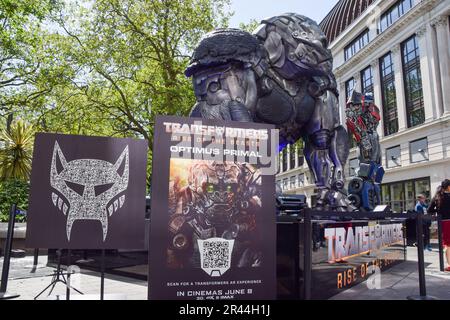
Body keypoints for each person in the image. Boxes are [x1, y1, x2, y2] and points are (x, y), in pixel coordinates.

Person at [428, 179, 450, 271]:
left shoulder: (437, 197)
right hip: (447, 222)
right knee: (448, 245)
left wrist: (438, 211)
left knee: (447, 245)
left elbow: (429, 210)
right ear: (448, 187)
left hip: (443, 222)